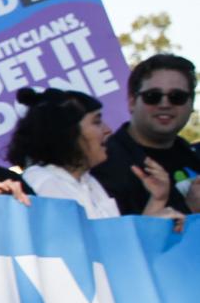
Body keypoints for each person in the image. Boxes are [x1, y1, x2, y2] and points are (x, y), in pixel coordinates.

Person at [11, 87, 184, 221]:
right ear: (69, 132)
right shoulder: (44, 184)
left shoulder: (86, 180)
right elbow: (95, 254)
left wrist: (157, 199)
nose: (107, 130)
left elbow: (120, 248)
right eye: (97, 121)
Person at [92, 53, 198, 217]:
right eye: (153, 97)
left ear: (191, 104)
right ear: (132, 102)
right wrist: (190, 208)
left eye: (177, 97)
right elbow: (119, 237)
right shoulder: (104, 163)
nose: (165, 104)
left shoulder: (191, 154)